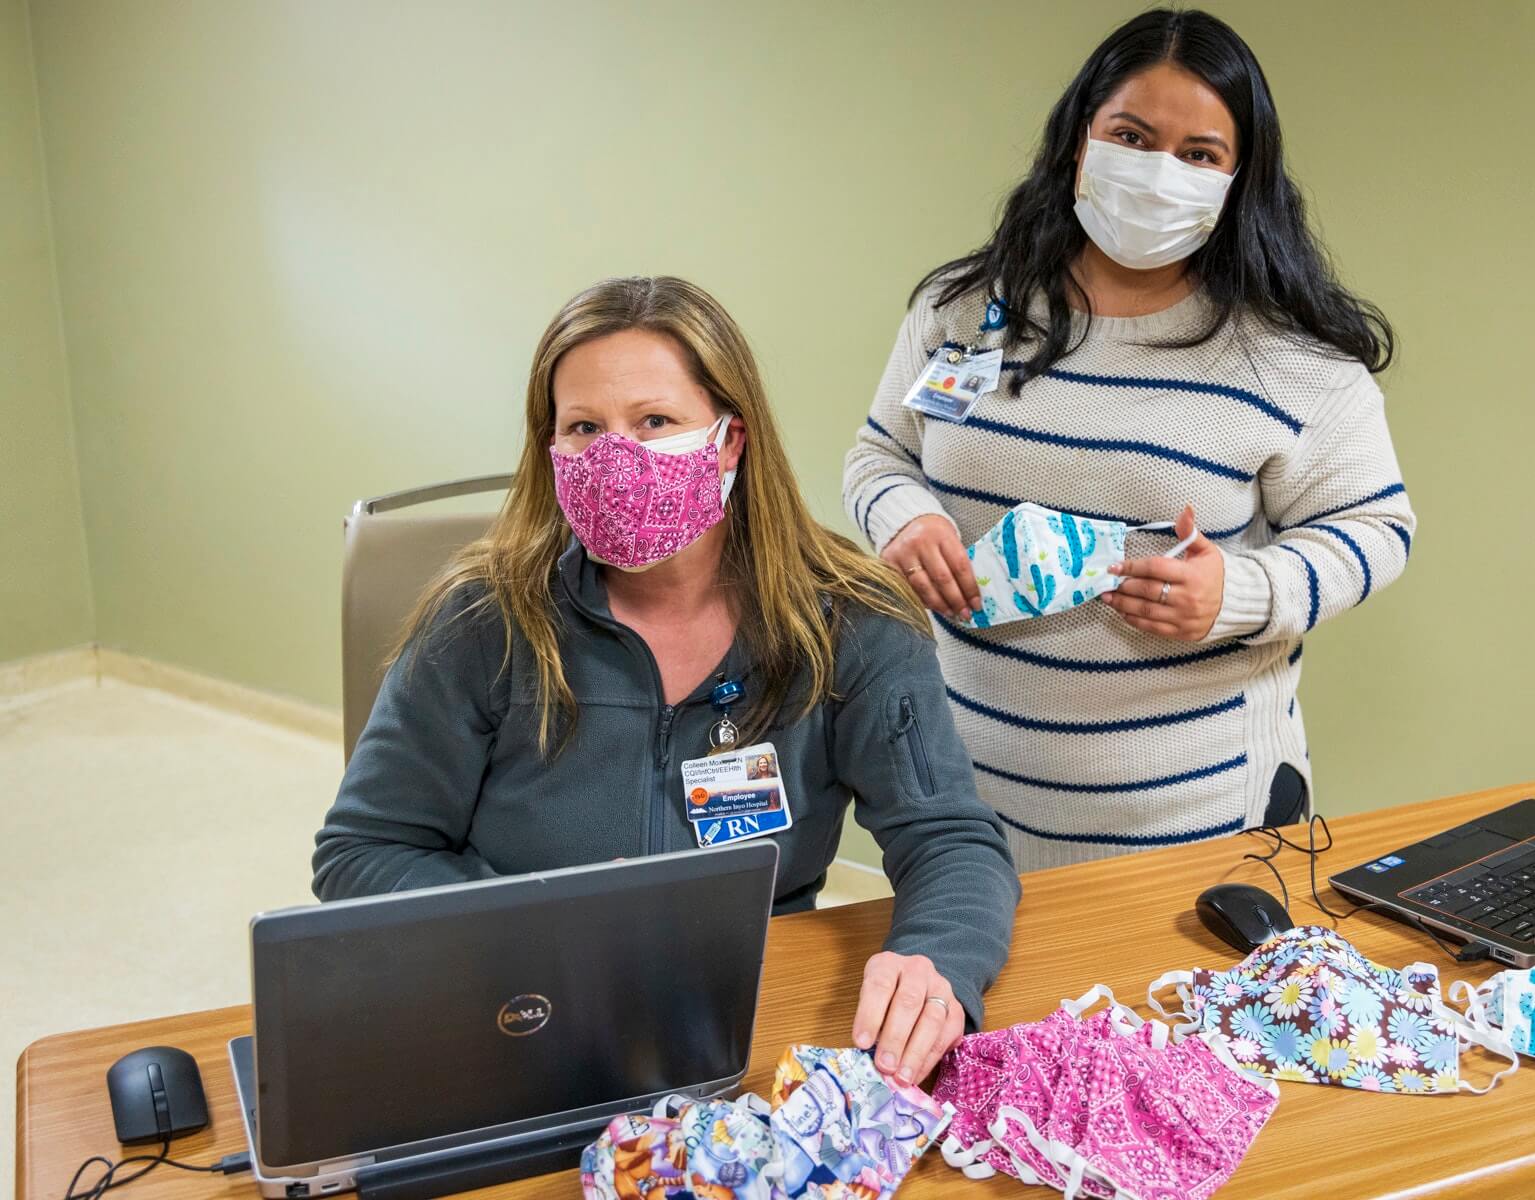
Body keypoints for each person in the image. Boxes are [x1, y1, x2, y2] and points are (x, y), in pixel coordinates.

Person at [316, 276, 1019, 1084]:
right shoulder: (483, 620)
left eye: (655, 421)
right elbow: (361, 853)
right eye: (583, 427)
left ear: (728, 440)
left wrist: (936, 959)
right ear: (550, 451)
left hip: (741, 1007)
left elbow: (950, 839)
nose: (617, 456)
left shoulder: (850, 621)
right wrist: (538, 919)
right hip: (517, 1002)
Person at [843, 9, 1416, 871]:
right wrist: (904, 518)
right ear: (1081, 141)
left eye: (1198, 154)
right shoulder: (964, 310)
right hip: (970, 814)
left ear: (1239, 178)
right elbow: (880, 452)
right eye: (1132, 135)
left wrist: (1241, 594)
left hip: (1200, 823)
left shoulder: (1290, 362)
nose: (1158, 173)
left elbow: (1378, 531)